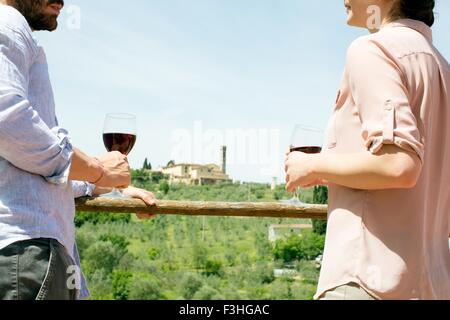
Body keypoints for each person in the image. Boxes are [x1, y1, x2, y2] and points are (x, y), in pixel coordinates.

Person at [285, 0, 450, 300]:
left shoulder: (371, 50)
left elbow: (400, 165)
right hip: (433, 285)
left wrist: (311, 166)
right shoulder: (442, 68)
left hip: (366, 280)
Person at [0, 0, 156, 300]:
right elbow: (6, 120)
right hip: (25, 253)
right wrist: (99, 170)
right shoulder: (7, 23)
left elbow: (33, 174)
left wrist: (107, 187)